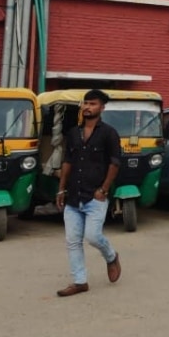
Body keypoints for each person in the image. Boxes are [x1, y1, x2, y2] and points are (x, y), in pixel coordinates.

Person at [55, 89, 122, 297]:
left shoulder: (109, 133)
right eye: (85, 103)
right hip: (73, 195)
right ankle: (80, 281)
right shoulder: (73, 133)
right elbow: (67, 162)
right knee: (73, 241)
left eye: (92, 104)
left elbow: (115, 163)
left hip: (95, 196)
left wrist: (104, 189)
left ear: (102, 108)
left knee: (93, 237)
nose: (87, 107)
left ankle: (111, 256)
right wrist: (61, 189)